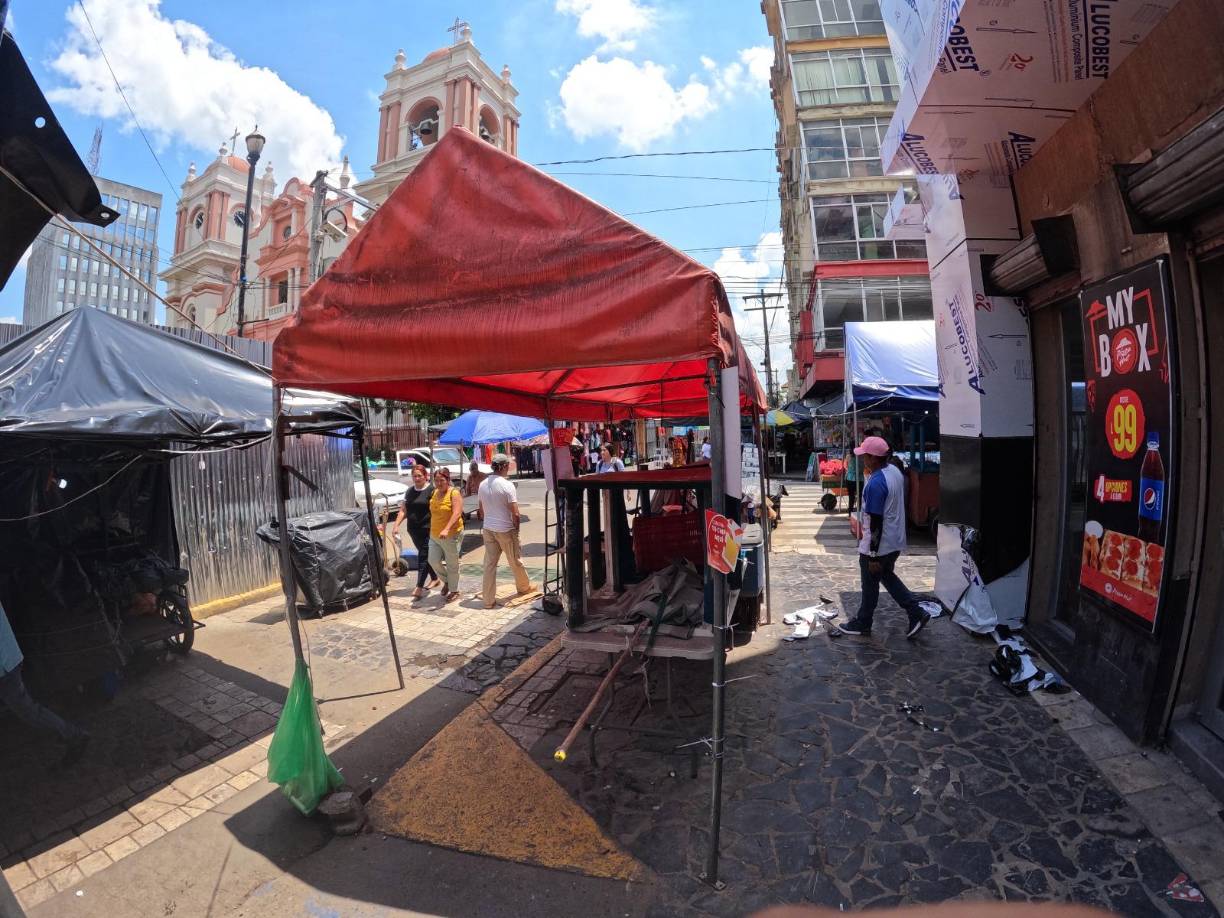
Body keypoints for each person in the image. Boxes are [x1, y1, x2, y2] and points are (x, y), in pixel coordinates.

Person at [839, 435, 931, 639]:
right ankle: (915, 612)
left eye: (865, 456)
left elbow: (876, 521)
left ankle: (864, 621)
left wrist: (872, 555)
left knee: (870, 583)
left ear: (873, 457)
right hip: (894, 541)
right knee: (886, 577)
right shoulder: (894, 472)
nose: (862, 459)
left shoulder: (876, 483)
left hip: (879, 544)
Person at [0, 599, 89, 765]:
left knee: (26, 709)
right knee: (25, 706)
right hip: (8, 657)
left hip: (4, 665)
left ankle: (73, 735)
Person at [478, 454, 533, 608]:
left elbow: (481, 511)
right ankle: (523, 587)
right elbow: (515, 513)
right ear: (502, 467)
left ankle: (488, 600)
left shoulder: (482, 484)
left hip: (488, 528)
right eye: (508, 465)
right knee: (515, 561)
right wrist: (516, 529)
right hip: (505, 529)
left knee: (489, 565)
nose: (509, 467)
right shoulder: (507, 485)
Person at [395, 465, 441, 600]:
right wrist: (396, 525)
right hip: (413, 530)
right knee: (425, 555)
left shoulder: (432, 491)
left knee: (423, 556)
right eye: (414, 476)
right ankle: (435, 578)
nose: (417, 478)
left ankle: (419, 587)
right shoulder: (409, 491)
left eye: (419, 475)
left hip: (429, 529)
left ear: (425, 476)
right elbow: (404, 510)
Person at [428, 467, 464, 602]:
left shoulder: (454, 493)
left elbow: (457, 512)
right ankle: (447, 580)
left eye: (441, 480)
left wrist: (447, 528)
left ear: (448, 480)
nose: (438, 483)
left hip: (451, 534)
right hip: (434, 534)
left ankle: (454, 590)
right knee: (433, 560)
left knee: (452, 563)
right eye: (436, 480)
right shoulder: (435, 492)